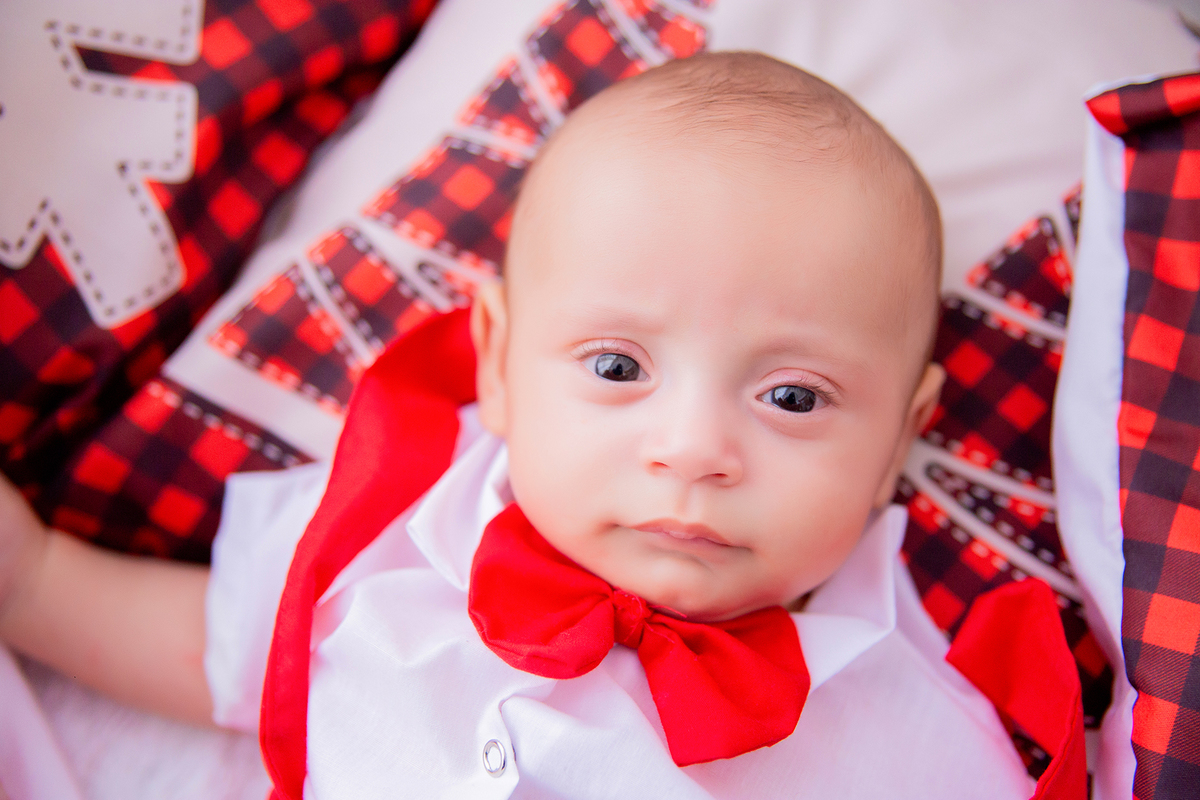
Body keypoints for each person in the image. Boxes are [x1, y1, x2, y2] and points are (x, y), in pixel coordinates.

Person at [0, 52, 1064, 798]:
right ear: (499, 366)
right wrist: (38, 582)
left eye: (793, 397)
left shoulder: (919, 725)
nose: (692, 450)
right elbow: (227, 651)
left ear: (899, 437)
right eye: (615, 366)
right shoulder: (394, 529)